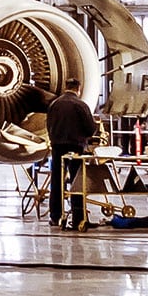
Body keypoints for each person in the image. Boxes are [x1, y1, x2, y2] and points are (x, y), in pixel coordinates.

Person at [47, 78, 98, 228]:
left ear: (66, 87)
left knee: (56, 181)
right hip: (75, 147)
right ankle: (78, 217)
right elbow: (90, 128)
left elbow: (48, 125)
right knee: (77, 182)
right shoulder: (80, 105)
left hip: (57, 147)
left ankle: (55, 215)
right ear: (79, 88)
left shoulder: (54, 104)